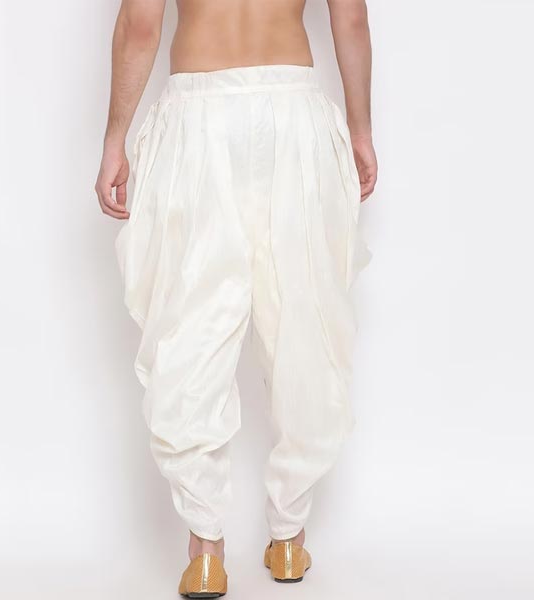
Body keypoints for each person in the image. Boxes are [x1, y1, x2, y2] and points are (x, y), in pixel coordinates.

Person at [95, 0, 377, 596]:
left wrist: (115, 138)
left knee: (192, 326)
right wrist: (360, 130)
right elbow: (350, 19)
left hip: (199, 115)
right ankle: (289, 538)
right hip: (293, 115)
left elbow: (140, 25)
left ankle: (205, 550)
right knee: (303, 320)